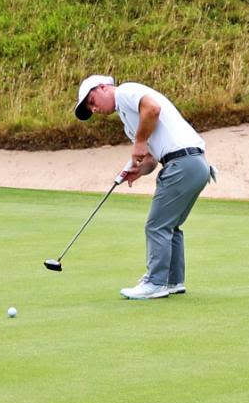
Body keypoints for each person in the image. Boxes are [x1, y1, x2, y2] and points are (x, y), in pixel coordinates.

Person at [73, 73, 212, 301]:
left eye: (91, 101)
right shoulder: (128, 121)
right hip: (194, 165)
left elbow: (153, 109)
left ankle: (155, 282)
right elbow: (151, 158)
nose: (94, 109)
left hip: (183, 163)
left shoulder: (125, 91)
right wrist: (139, 171)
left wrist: (139, 141)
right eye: (90, 108)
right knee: (170, 225)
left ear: (102, 87)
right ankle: (172, 281)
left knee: (156, 226)